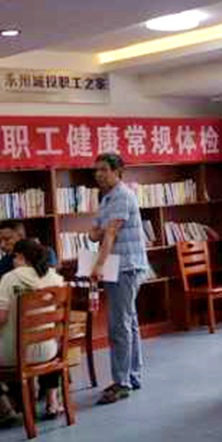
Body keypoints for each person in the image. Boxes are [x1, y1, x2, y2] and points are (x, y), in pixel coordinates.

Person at [0, 238, 65, 423]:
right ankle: (52, 402)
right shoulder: (55, 277)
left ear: (21, 257)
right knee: (48, 338)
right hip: (48, 352)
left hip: (13, 354)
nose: (12, 261)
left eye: (14, 257)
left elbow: (0, 317)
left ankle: (4, 410)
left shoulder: (11, 277)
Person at [90, 153, 149, 405]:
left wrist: (97, 265)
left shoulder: (122, 195)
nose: (99, 174)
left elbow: (109, 233)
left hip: (126, 266)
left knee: (118, 326)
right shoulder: (106, 198)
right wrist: (101, 232)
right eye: (96, 170)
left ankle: (122, 382)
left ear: (117, 171)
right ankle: (132, 376)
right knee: (128, 321)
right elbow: (93, 234)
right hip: (118, 266)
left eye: (104, 169)